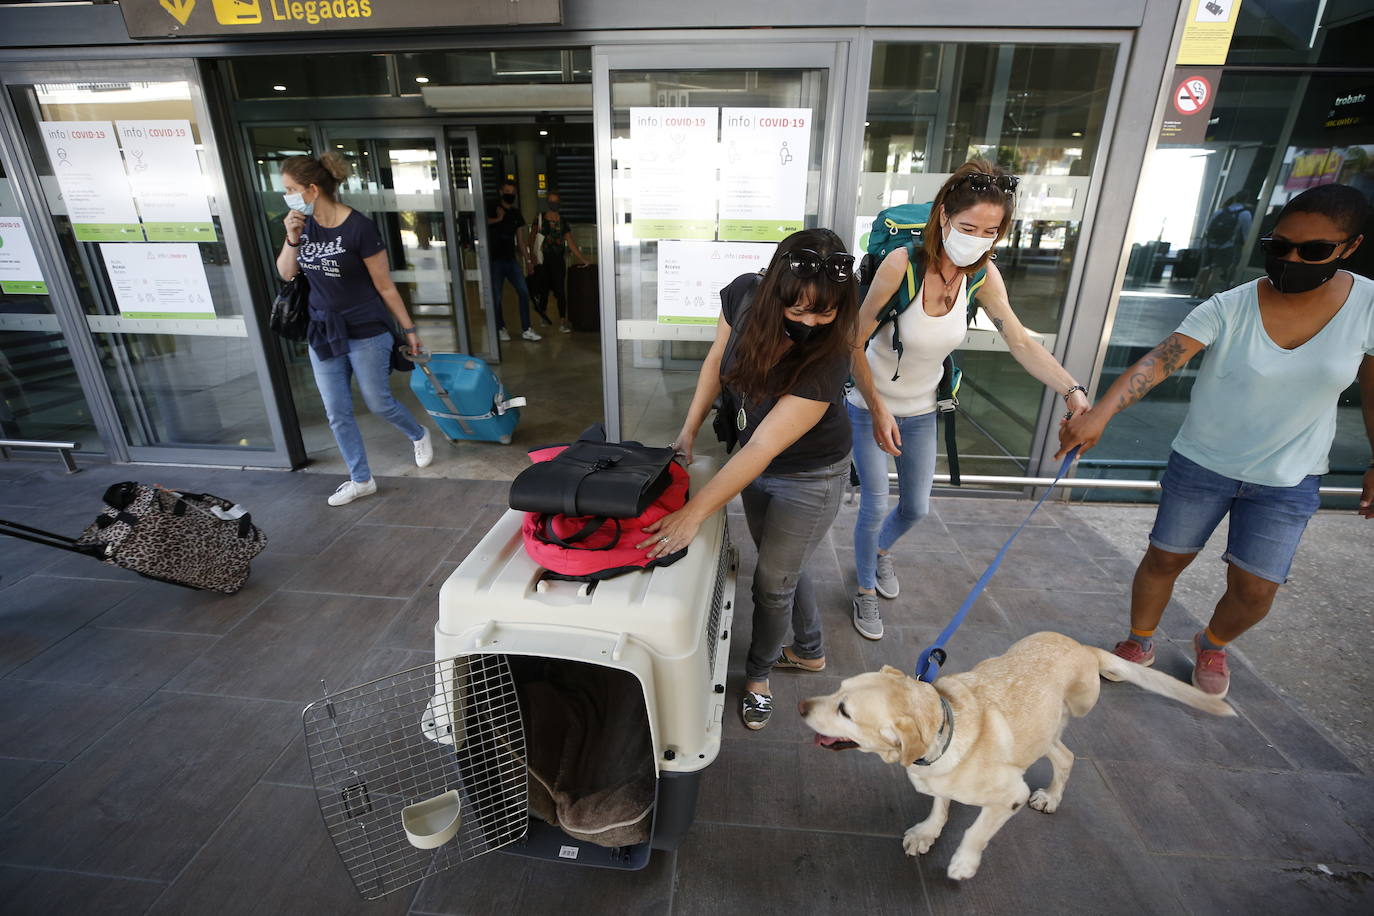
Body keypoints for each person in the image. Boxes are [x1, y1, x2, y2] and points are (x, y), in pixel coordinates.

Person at [1059, 183, 1374, 698]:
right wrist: (1102, 415)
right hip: (1203, 463)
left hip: (1289, 477)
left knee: (1255, 591)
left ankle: (1213, 642)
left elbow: (1372, 384)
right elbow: (1161, 359)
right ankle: (1139, 641)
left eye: (1313, 251)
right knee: (1165, 559)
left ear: (1350, 248)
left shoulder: (1368, 305)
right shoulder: (1231, 305)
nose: (1292, 258)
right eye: (1279, 246)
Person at [847, 161, 1090, 639]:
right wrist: (876, 408)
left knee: (915, 508)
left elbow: (1020, 341)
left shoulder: (983, 276)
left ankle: (877, 554)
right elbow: (854, 341)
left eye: (990, 231)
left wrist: (1072, 390)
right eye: (968, 227)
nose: (978, 238)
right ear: (943, 219)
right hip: (868, 401)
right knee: (874, 504)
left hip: (920, 409)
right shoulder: (903, 264)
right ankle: (864, 592)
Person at [637, 228, 859, 731]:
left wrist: (694, 514)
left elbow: (763, 447)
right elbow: (717, 360)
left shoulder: (827, 359)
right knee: (780, 566)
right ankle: (811, 649)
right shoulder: (743, 293)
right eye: (797, 309)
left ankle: (758, 677)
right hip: (753, 465)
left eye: (824, 313)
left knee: (772, 584)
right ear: (774, 285)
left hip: (809, 474)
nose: (809, 322)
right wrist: (687, 430)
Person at [276, 153, 434, 507]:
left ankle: (418, 432)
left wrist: (409, 331)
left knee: (378, 402)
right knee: (337, 411)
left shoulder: (359, 227)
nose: (286, 196)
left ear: (313, 189)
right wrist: (291, 237)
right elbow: (286, 274)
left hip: (366, 329)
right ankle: (360, 478)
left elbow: (385, 286)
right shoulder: (299, 224)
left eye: (291, 189)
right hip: (322, 330)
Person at [529, 191, 590, 334]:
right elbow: (532, 237)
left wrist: (583, 259)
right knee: (543, 290)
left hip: (557, 261)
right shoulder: (539, 218)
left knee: (560, 291)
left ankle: (562, 321)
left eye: (555, 201)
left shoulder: (563, 222)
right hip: (543, 260)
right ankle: (543, 316)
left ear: (559, 203)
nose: (553, 204)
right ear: (548, 202)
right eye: (551, 201)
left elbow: (571, 243)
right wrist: (530, 256)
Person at [486, 180, 539, 342]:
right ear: (501, 192)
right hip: (495, 260)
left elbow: (521, 240)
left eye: (513, 192)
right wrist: (498, 219)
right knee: (496, 296)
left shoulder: (516, 214)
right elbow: (480, 224)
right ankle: (500, 327)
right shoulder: (492, 208)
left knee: (523, 292)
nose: (510, 195)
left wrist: (528, 260)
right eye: (507, 191)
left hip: (511, 260)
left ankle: (526, 328)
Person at [1193, 193, 1253, 297]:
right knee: (1217, 268)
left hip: (1210, 244)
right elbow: (1246, 232)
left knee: (1206, 267)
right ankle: (1207, 292)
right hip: (1226, 245)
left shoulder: (1221, 211)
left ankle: (1196, 290)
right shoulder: (1245, 213)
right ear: (1246, 200)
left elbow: (1208, 227)